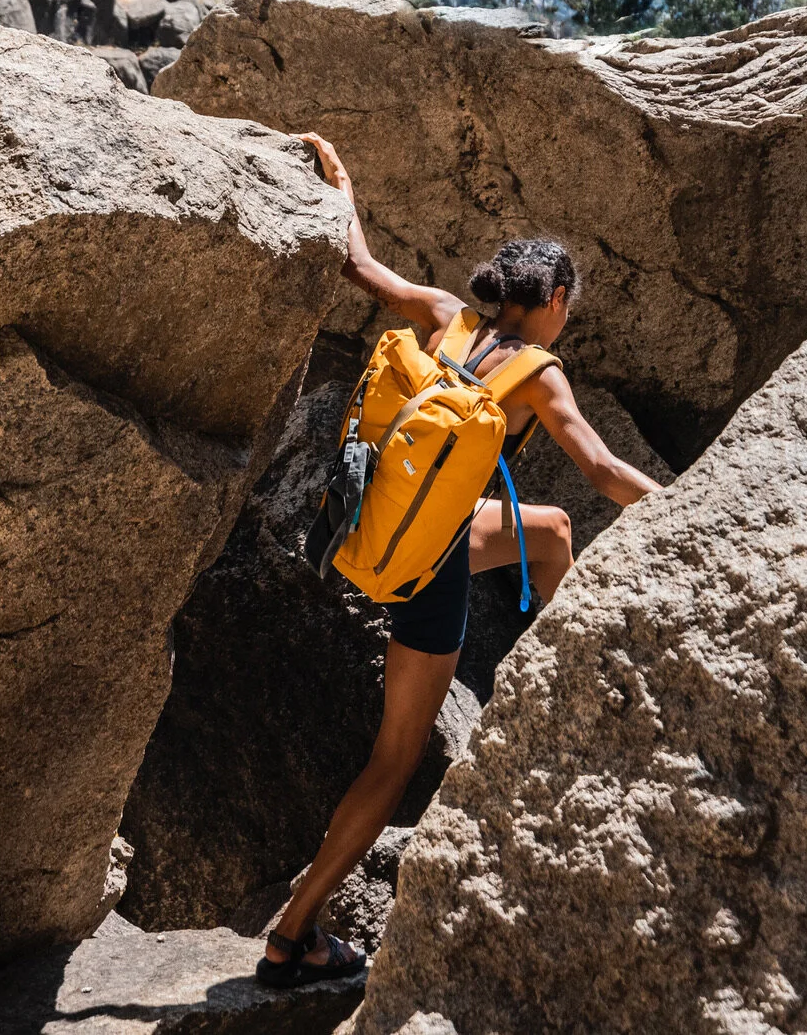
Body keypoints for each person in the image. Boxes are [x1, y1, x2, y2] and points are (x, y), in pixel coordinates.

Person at [256, 131, 663, 991]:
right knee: (395, 756)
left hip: (371, 527)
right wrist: (694, 508)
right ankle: (294, 934)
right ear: (552, 297)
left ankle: (556, 668)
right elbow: (600, 466)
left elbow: (360, 266)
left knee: (549, 531)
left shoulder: (446, 314)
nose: (566, 322)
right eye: (568, 308)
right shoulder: (539, 372)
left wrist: (344, 186)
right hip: (429, 568)